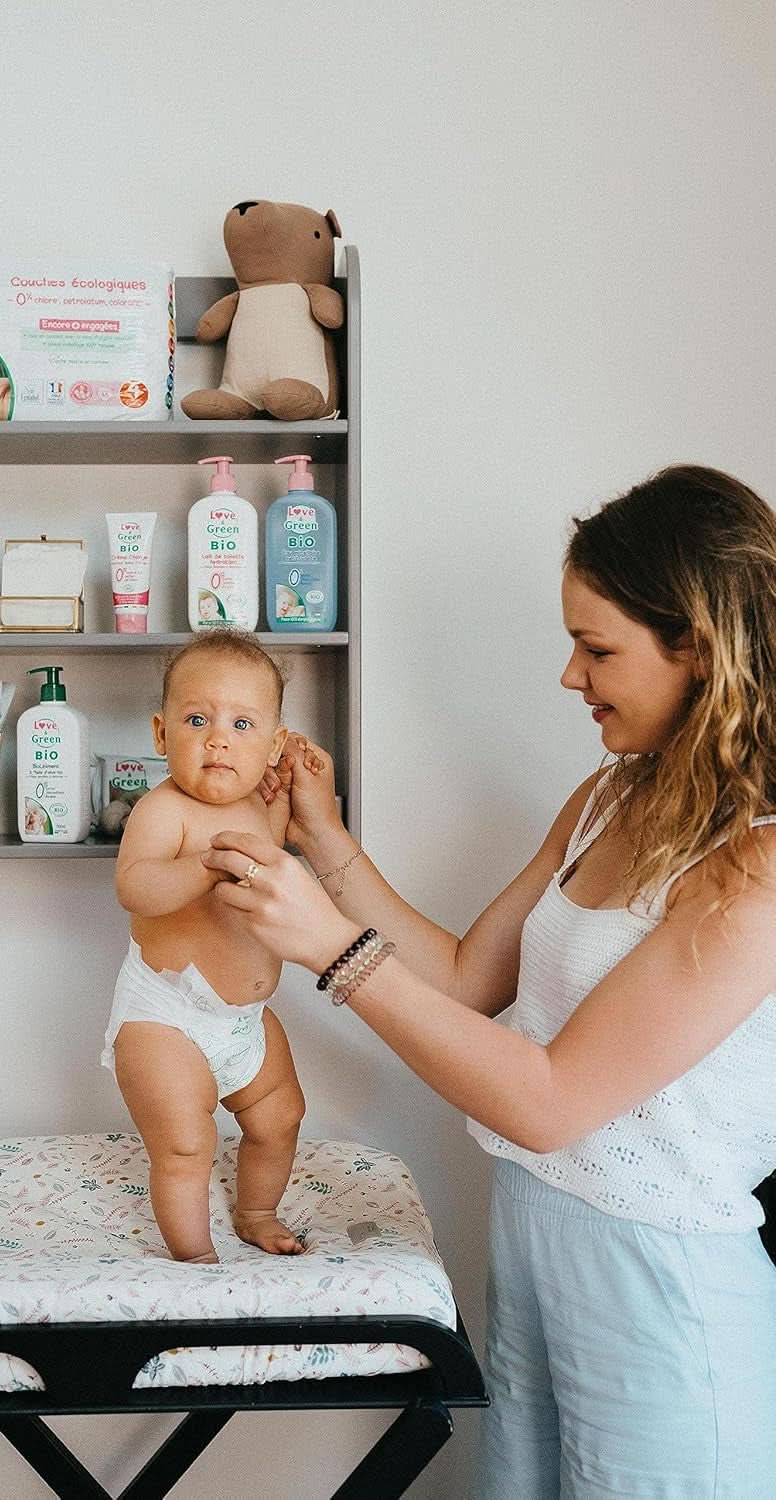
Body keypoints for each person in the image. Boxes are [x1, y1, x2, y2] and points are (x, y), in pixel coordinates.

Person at [202, 464, 776, 1497]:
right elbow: (468, 980)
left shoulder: (757, 865)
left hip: (659, 1296)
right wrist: (328, 848)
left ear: (700, 648)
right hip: (532, 1247)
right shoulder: (609, 795)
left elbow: (551, 1100)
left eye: (597, 649)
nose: (570, 677)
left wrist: (331, 950)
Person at [105, 630, 321, 1264]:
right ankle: (195, 1257)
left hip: (244, 1020)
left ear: (273, 743)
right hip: (166, 1016)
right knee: (185, 1145)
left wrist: (293, 796)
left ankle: (256, 1212)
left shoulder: (261, 807)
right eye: (196, 720)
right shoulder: (163, 810)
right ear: (160, 734)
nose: (218, 739)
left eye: (243, 723)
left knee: (280, 1117)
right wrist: (203, 863)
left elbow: (276, 862)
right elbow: (134, 887)